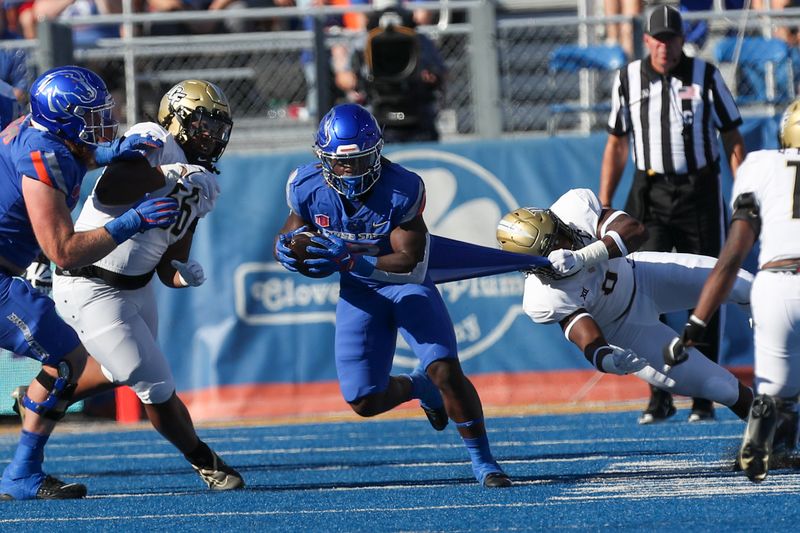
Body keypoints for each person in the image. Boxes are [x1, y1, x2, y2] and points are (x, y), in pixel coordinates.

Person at [273, 103, 511, 488]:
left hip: (405, 285)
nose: (348, 171)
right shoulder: (306, 186)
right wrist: (283, 248)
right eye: (340, 163)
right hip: (360, 293)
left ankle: (484, 462)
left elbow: (410, 260)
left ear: (377, 153)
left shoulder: (401, 188)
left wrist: (352, 261)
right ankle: (420, 388)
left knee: (445, 368)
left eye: (359, 160)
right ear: (322, 159)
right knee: (364, 401)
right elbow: (292, 231)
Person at [46, 79, 243, 491]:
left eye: (217, 127)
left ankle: (48, 392)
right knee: (153, 384)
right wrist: (167, 174)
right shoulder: (152, 138)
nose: (212, 135)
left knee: (122, 372)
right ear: (178, 120)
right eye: (204, 124)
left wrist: (183, 273)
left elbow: (168, 264)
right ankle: (206, 461)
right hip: (90, 283)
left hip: (135, 289)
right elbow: (116, 184)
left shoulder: (204, 182)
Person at [0, 65, 179, 500]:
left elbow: (76, 151)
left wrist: (112, 150)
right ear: (64, 118)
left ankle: (23, 470)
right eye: (91, 114)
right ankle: (21, 474)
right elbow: (64, 250)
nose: (103, 119)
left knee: (67, 358)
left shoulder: (40, 131)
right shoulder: (43, 157)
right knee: (66, 359)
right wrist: (133, 222)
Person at [599, 4, 747, 425]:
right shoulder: (627, 79)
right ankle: (660, 391)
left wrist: (745, 192)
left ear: (684, 40)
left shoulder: (707, 76)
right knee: (644, 292)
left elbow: (733, 137)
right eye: (658, 39)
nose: (665, 47)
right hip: (649, 192)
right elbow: (616, 143)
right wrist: (605, 201)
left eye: (672, 39)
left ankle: (706, 395)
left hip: (699, 189)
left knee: (709, 287)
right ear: (646, 41)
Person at [495, 188, 755, 424]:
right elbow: (589, 340)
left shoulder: (574, 208)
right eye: (552, 248)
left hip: (643, 275)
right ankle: (772, 433)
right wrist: (608, 360)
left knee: (746, 285)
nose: (564, 245)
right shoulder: (543, 298)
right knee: (722, 388)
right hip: (627, 331)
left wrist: (583, 256)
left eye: (560, 235)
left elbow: (635, 230)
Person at [664, 99, 800, 483]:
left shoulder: (760, 165)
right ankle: (782, 421)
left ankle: (769, 417)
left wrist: (695, 324)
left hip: (775, 284)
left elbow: (730, 258)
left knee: (776, 391)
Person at [343, 1, 446, 143]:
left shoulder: (420, 41)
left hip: (416, 111)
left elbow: (441, 72)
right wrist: (357, 81)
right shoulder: (364, 42)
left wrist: (430, 77)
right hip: (376, 112)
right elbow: (344, 77)